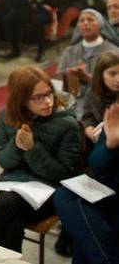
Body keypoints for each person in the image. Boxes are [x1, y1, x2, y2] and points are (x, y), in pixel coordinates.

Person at [0, 67, 81, 252]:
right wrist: (17, 146)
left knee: (3, 204)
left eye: (49, 93)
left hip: (50, 193)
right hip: (15, 187)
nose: (47, 101)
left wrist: (32, 149)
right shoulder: (7, 115)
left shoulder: (67, 124)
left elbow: (64, 174)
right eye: (38, 97)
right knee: (13, 225)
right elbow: (4, 161)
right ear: (22, 100)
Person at [53, 102, 119, 264]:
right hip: (106, 192)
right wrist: (110, 145)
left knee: (87, 232)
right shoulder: (115, 118)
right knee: (66, 196)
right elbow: (96, 163)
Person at [57, 9, 119, 115]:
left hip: (104, 105)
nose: (85, 23)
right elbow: (59, 79)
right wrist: (69, 75)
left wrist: (87, 77)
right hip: (73, 103)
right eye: (82, 21)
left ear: (100, 24)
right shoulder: (69, 51)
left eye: (90, 20)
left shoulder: (113, 51)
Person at [82, 50, 119, 145]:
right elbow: (87, 116)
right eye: (112, 74)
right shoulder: (92, 93)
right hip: (103, 137)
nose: (118, 79)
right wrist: (89, 128)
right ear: (101, 75)